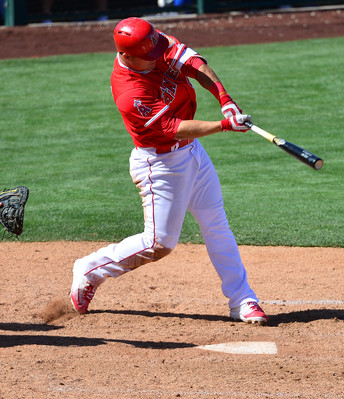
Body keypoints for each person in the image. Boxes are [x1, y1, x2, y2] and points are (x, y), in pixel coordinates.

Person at [69, 17, 268, 325]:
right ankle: (91, 269)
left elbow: (193, 63)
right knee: (159, 244)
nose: (158, 55)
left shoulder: (152, 42)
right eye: (149, 57)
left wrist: (225, 100)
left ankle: (242, 299)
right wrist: (223, 125)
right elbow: (173, 129)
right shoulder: (130, 93)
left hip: (192, 152)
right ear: (127, 56)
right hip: (161, 164)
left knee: (216, 222)